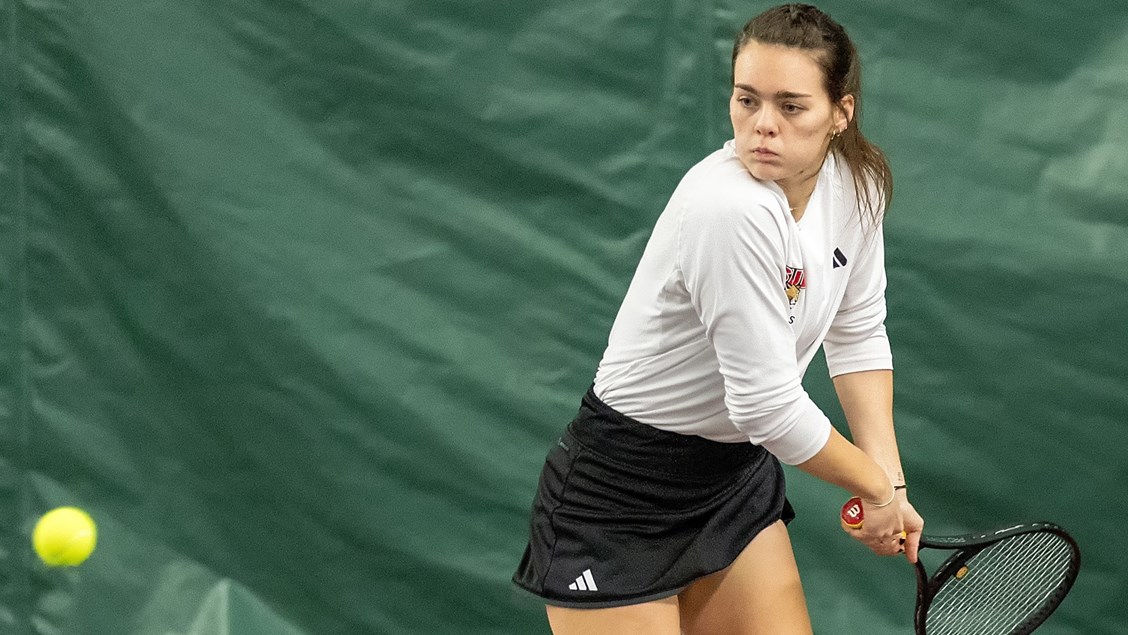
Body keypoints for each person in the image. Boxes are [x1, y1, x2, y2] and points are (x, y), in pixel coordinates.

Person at [513, 4, 925, 633]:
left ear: (840, 112)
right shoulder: (728, 208)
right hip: (621, 494)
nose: (763, 125)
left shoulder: (856, 185)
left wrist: (889, 480)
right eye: (746, 100)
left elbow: (858, 330)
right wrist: (872, 486)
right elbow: (765, 407)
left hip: (730, 479)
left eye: (791, 106)